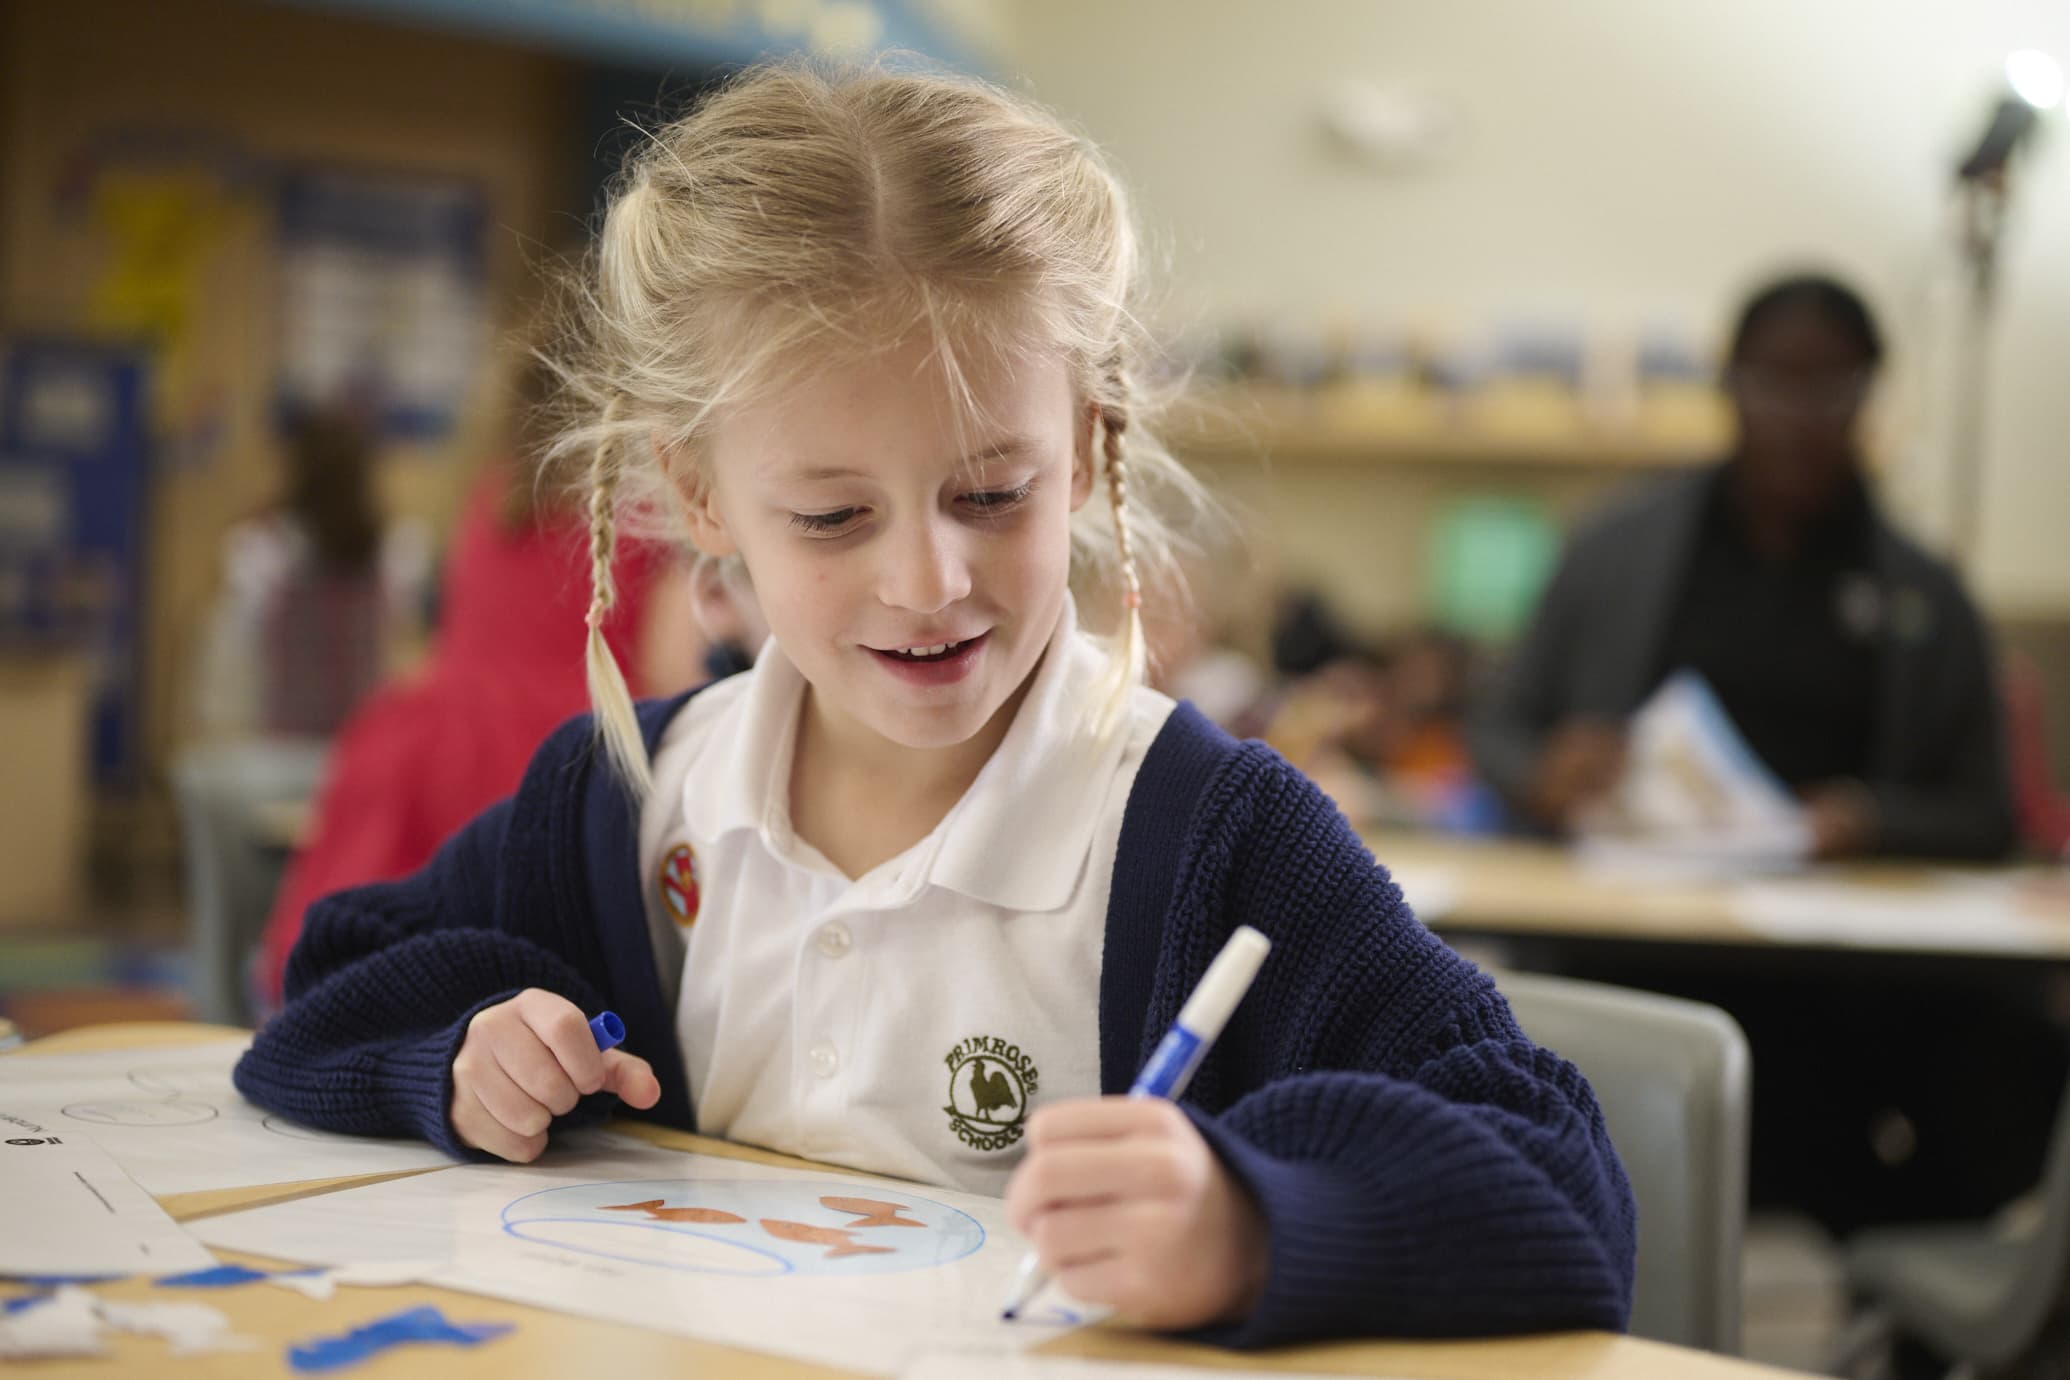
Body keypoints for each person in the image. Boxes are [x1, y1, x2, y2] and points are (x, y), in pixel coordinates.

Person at [233, 62, 1634, 1344]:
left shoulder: (1204, 835)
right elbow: (329, 984)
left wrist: (1251, 1226)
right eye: (834, 514)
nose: (927, 578)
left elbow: (1563, 1185)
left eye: (989, 494)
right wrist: (458, 1059)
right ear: (708, 498)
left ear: (1085, 450)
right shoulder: (628, 801)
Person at [1470, 274, 2015, 862]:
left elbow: (1987, 814)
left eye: (1830, 387)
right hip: (1632, 916)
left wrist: (1872, 820)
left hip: (1845, 927)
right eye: (1774, 382)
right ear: (1729, 383)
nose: (1800, 416)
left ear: (1868, 394)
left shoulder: (1925, 595)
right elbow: (1495, 731)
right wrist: (1544, 772)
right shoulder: (1613, 550)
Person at [250, 363, 712, 1011]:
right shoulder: (643, 508)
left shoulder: (493, 496)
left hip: (426, 742)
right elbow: (676, 673)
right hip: (558, 754)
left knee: (368, 963)